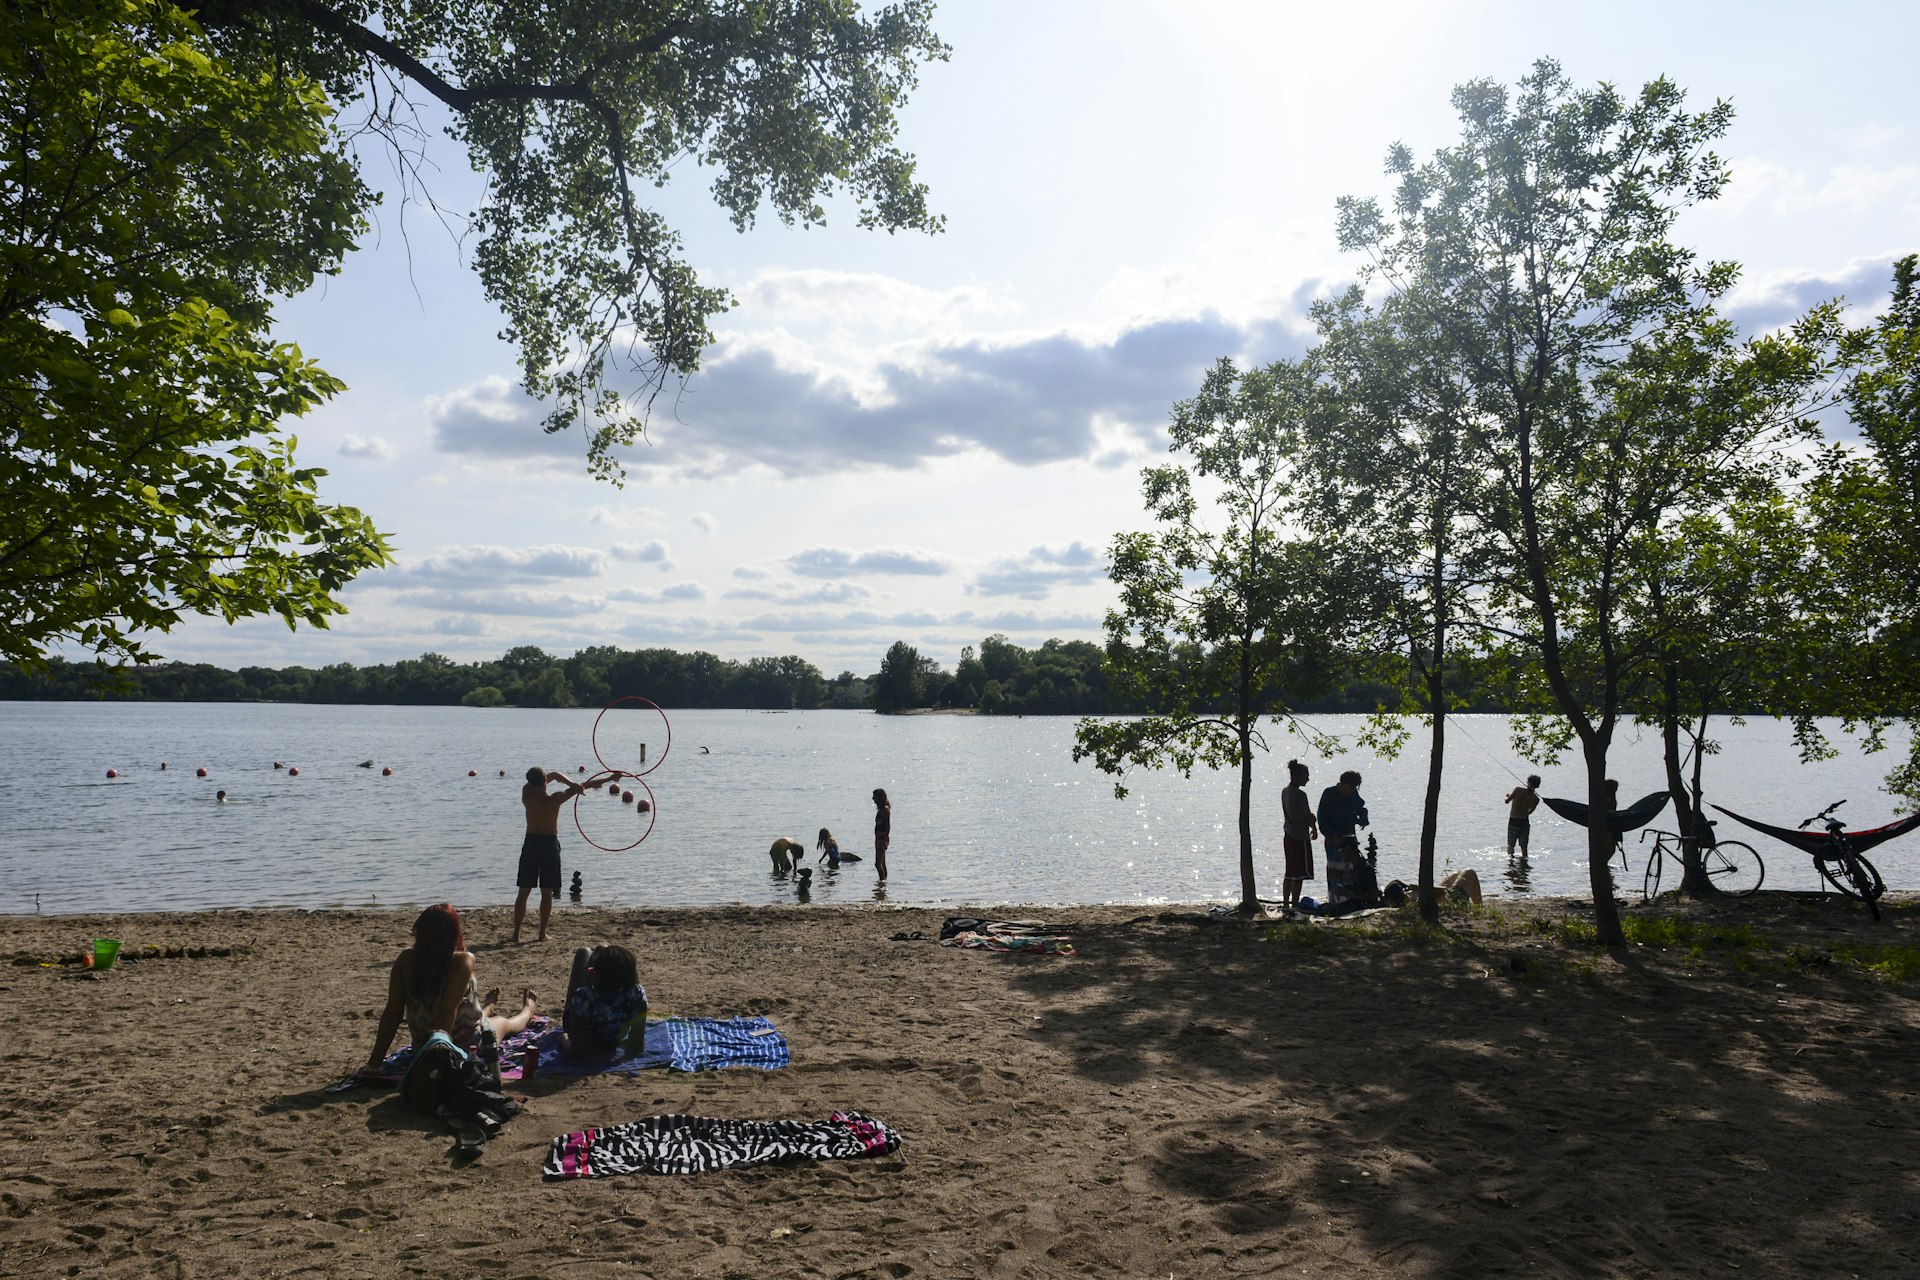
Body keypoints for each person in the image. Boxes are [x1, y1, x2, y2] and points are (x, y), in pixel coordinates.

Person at [361, 903, 536, 1075]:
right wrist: (439, 1057)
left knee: (477, 1016)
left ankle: (488, 1007)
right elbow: (446, 1011)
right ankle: (528, 1009)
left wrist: (375, 1062)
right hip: (462, 1043)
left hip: (423, 1044)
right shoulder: (462, 960)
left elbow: (392, 1013)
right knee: (505, 1023)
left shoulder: (405, 960)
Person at [517, 766, 609, 943]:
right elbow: (583, 785)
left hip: (530, 843)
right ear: (545, 781)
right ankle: (542, 934)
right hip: (548, 844)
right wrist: (606, 779)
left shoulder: (526, 793)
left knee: (524, 891)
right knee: (546, 891)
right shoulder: (556, 799)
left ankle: (516, 935)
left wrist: (572, 784)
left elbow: (552, 776)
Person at [560, 944, 647, 1062]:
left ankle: (599, 956)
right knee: (605, 951)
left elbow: (576, 1051)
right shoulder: (637, 995)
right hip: (614, 1037)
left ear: (595, 975)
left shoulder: (584, 996)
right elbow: (636, 1047)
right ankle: (603, 955)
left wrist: (563, 1039)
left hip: (579, 1027)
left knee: (583, 952)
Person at [1316, 770, 1371, 905]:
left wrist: (1363, 818)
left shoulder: (1353, 795)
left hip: (1349, 838)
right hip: (1333, 839)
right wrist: (1331, 835)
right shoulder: (1329, 793)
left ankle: (1350, 899)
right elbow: (1321, 818)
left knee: (1350, 869)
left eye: (1355, 788)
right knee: (1335, 870)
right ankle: (1335, 901)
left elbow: (1361, 808)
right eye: (1350, 787)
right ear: (1342, 783)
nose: (1352, 790)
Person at [1280, 760, 1318, 912]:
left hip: (1288, 835)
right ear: (1297, 776)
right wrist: (1314, 825)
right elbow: (1307, 815)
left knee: (1289, 871)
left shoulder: (1284, 791)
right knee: (1299, 873)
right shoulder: (1300, 795)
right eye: (1306, 776)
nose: (1308, 779)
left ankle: (1285, 903)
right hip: (1300, 836)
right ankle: (1294, 904)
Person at [1504, 775, 1542, 857]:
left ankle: (1510, 862)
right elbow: (1529, 812)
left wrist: (1507, 796)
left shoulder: (1518, 790)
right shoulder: (1536, 799)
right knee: (1524, 847)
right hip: (1524, 822)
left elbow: (1507, 801)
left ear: (1528, 782)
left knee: (1511, 845)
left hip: (1513, 821)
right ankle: (1524, 863)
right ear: (1537, 786)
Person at [872, 788, 891, 880]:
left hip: (882, 837)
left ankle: (881, 882)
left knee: (877, 864)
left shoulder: (885, 810)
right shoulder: (879, 809)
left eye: (874, 797)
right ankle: (883, 884)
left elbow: (887, 826)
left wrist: (884, 838)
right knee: (882, 863)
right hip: (878, 837)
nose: (873, 799)